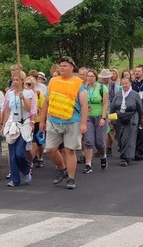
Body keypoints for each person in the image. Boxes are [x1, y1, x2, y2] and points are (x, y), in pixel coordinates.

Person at [40, 56, 88, 190]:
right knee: (50, 149)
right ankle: (62, 169)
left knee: (70, 150)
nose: (62, 68)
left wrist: (83, 124)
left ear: (72, 68)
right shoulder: (53, 81)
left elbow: (84, 105)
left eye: (65, 65)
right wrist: (42, 120)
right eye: (60, 65)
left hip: (72, 121)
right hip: (54, 120)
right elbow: (46, 102)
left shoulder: (78, 83)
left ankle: (71, 178)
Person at [2, 72, 36, 187]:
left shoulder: (28, 93)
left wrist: (23, 99)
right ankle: (14, 179)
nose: (15, 82)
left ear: (22, 80)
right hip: (12, 123)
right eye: (14, 79)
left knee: (19, 153)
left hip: (24, 123)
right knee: (12, 153)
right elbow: (7, 110)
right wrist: (3, 125)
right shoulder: (9, 94)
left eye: (18, 79)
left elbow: (29, 109)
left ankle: (26, 170)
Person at [109, 77, 143, 167]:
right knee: (121, 137)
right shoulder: (118, 94)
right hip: (119, 118)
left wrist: (142, 118)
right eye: (123, 84)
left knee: (129, 138)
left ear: (130, 84)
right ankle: (123, 153)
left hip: (132, 118)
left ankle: (126, 158)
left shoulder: (135, 95)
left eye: (126, 83)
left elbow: (140, 108)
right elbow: (113, 106)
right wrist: (110, 118)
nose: (124, 85)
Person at [82, 70, 109, 173]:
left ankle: (103, 155)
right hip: (88, 116)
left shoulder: (102, 88)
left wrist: (103, 118)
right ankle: (88, 164)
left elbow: (105, 104)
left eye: (92, 76)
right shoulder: (84, 88)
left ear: (96, 77)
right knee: (88, 140)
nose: (90, 78)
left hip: (99, 116)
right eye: (88, 76)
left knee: (100, 142)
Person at [26, 76, 46, 168]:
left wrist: (43, 121)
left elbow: (43, 108)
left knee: (39, 142)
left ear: (34, 85)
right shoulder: (24, 94)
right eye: (26, 84)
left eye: (30, 84)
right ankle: (31, 161)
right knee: (32, 141)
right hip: (28, 121)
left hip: (38, 121)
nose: (28, 86)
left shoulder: (38, 94)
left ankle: (40, 158)